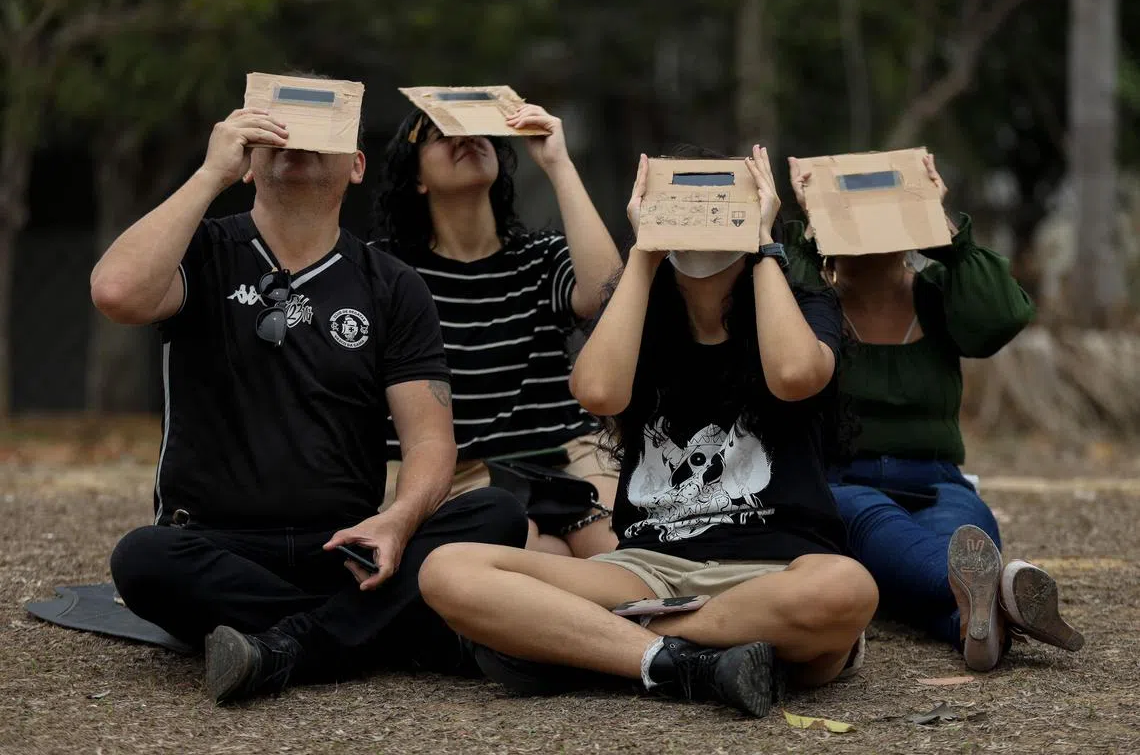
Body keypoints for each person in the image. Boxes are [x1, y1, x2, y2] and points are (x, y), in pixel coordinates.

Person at [416, 147, 879, 719]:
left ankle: (614, 645)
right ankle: (689, 662)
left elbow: (793, 376)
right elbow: (597, 393)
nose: (699, 216)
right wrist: (642, 253)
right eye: (677, 202)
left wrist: (761, 246)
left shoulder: (803, 303)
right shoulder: (640, 314)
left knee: (847, 588)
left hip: (777, 571)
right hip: (647, 569)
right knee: (447, 568)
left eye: (721, 200)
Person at [90, 101, 528, 704]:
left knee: (496, 513)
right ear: (248, 163)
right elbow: (115, 292)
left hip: (345, 547)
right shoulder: (201, 250)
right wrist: (207, 174)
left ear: (355, 164)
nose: (294, 139)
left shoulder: (392, 284)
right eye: (277, 129)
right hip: (217, 544)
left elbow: (429, 441)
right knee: (143, 558)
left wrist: (396, 524)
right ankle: (389, 631)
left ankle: (289, 644)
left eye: (320, 130)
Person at [785, 153, 1084, 672]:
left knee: (961, 531)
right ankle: (995, 599)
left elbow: (1003, 318)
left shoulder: (940, 297)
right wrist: (812, 225)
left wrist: (945, 230)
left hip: (937, 480)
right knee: (875, 526)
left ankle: (975, 621)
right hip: (841, 484)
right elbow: (774, 310)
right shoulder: (810, 303)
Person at [372, 104, 624, 558]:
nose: (464, 138)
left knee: (619, 550)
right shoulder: (384, 270)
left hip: (564, 453)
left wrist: (557, 162)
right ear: (416, 179)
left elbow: (606, 295)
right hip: (449, 470)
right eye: (441, 133)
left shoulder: (540, 256)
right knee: (534, 553)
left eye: (474, 131)